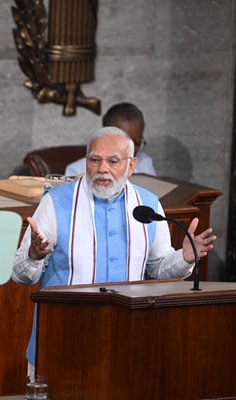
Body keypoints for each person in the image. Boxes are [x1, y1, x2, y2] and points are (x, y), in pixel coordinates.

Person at [12, 126, 216, 375]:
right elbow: (22, 275)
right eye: (94, 160)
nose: (102, 169)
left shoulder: (148, 205)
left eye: (113, 161)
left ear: (131, 166)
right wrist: (33, 255)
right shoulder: (56, 202)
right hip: (62, 335)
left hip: (126, 338)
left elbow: (159, 268)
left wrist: (183, 259)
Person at [65, 102, 156, 176]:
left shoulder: (145, 163)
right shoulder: (76, 171)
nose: (131, 149)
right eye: (124, 143)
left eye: (137, 142)